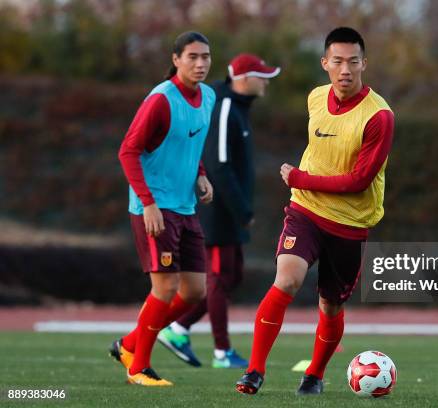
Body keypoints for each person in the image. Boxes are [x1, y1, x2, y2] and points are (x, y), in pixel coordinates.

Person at [235, 26, 395, 395]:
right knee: (287, 279)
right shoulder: (315, 98)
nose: (345, 70)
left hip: (350, 224)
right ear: (325, 63)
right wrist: (302, 187)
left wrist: (299, 178)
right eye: (337, 61)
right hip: (306, 212)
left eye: (353, 62)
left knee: (331, 304)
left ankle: (315, 376)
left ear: (364, 64)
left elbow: (358, 181)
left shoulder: (379, 117)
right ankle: (254, 371)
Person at [157, 54, 280, 368]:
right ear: (243, 79)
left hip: (229, 212)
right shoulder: (225, 107)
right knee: (219, 279)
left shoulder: (237, 107)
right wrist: (241, 209)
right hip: (218, 212)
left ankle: (178, 328)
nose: (266, 82)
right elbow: (220, 166)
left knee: (232, 276)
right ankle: (222, 352)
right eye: (261, 76)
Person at [109, 31, 216, 386]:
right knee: (165, 288)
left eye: (205, 57)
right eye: (192, 57)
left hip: (185, 207)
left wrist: (200, 175)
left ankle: (128, 344)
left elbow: (192, 144)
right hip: (154, 207)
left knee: (195, 292)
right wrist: (149, 204)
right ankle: (138, 367)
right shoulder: (160, 100)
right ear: (176, 60)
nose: (200, 64)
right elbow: (128, 151)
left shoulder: (209, 97)